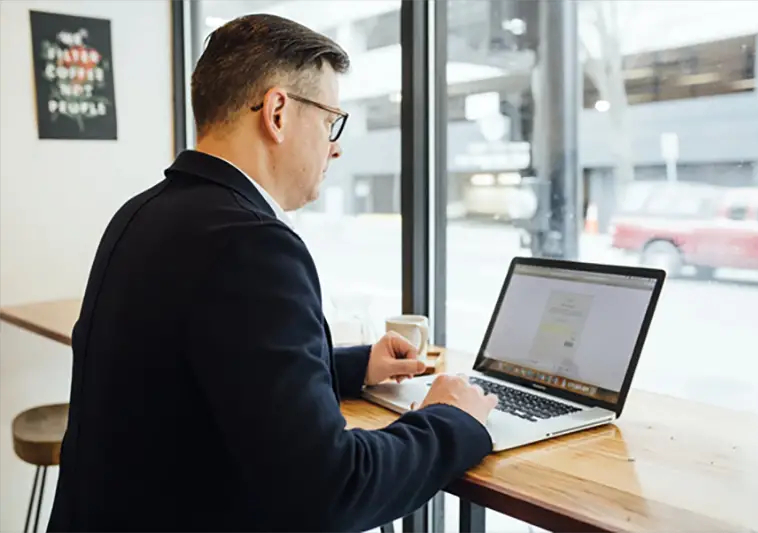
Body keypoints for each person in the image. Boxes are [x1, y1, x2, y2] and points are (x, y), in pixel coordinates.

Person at [47, 13, 497, 533]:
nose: (336, 146)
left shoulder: (141, 214)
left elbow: (208, 370)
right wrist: (449, 419)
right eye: (331, 120)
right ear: (278, 112)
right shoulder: (252, 245)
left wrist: (353, 366)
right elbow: (330, 491)